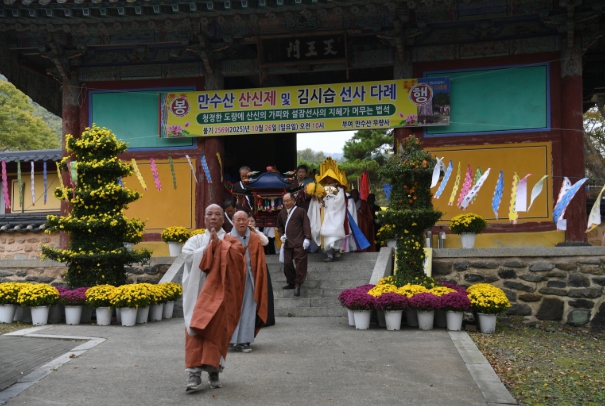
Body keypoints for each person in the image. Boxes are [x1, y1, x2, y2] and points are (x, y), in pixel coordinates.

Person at [181, 204, 246, 392]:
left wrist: (220, 245)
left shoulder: (231, 240)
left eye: (217, 214)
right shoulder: (195, 240)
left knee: (216, 331)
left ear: (223, 219)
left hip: (220, 296)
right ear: (204, 218)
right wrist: (208, 248)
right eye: (209, 214)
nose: (213, 217)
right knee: (194, 330)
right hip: (198, 293)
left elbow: (238, 257)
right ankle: (194, 374)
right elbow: (187, 256)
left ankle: (214, 371)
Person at [228, 211, 270, 353]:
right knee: (231, 310)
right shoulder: (227, 238)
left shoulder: (254, 238)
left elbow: (260, 261)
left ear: (248, 222)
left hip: (250, 280)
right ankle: (231, 339)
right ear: (233, 221)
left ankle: (244, 341)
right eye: (238, 220)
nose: (241, 222)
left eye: (244, 219)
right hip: (232, 281)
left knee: (248, 309)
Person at [276, 192, 311, 297]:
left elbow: (306, 225)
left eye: (288, 201)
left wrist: (307, 238)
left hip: (299, 242)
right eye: (284, 201)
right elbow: (279, 226)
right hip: (287, 242)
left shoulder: (300, 211)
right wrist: (281, 235)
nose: (286, 203)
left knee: (300, 264)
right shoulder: (281, 213)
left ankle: (298, 284)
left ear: (293, 200)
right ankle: (291, 281)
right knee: (287, 263)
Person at [248, 213, 275, 327]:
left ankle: (266, 318)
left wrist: (255, 231)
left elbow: (266, 242)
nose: (250, 223)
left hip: (260, 265)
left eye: (252, 221)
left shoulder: (258, 233)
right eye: (248, 221)